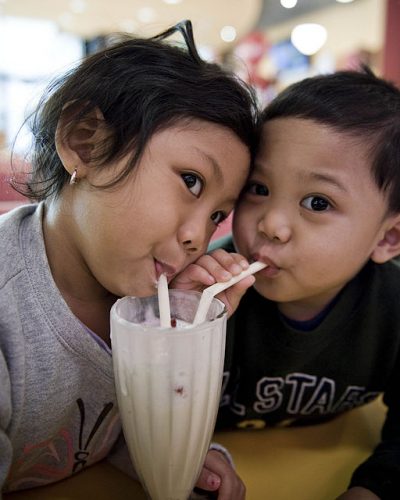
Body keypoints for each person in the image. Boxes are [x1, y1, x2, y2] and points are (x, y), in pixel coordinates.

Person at [0, 20, 259, 498]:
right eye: (192, 181)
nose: (197, 238)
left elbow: (107, 432)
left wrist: (182, 453)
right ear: (85, 141)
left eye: (217, 215)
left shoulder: (147, 292)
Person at [174, 67, 400, 499]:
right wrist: (184, 328)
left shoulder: (392, 308)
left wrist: (371, 490)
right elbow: (139, 407)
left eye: (318, 202)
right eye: (258, 188)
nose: (272, 225)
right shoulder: (201, 288)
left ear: (388, 237)